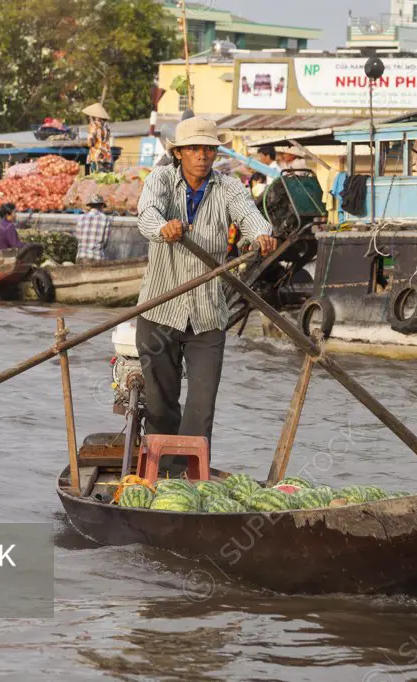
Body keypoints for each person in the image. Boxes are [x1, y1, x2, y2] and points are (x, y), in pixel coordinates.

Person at [136, 117, 277, 455]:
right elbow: (146, 214)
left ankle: (189, 479)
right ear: (180, 153)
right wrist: (163, 228)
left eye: (209, 149)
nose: (202, 155)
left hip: (208, 312)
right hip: (160, 310)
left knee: (202, 406)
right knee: (159, 404)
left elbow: (248, 215)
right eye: (194, 149)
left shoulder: (228, 186)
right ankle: (158, 474)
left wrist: (260, 235)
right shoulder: (162, 179)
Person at [76, 194, 112, 264]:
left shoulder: (80, 218)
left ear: (90, 206)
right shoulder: (105, 219)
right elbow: (105, 242)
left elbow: (79, 238)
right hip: (97, 257)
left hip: (82, 256)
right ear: (102, 206)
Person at [82, 102, 112, 174]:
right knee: (105, 176)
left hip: (96, 153)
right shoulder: (107, 126)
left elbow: (90, 141)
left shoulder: (93, 125)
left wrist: (89, 143)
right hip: (106, 153)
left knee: (95, 176)